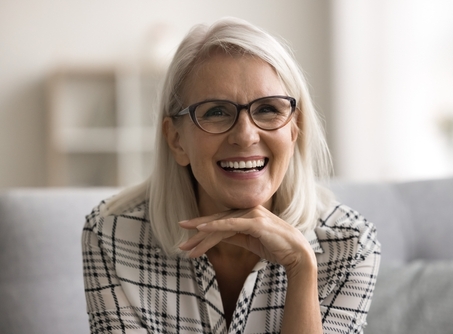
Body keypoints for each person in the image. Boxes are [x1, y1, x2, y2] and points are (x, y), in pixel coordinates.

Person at [82, 17, 380, 334]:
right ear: (176, 140)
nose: (245, 136)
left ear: (295, 129)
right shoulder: (112, 234)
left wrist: (301, 269)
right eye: (216, 111)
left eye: (267, 108)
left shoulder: (349, 244)